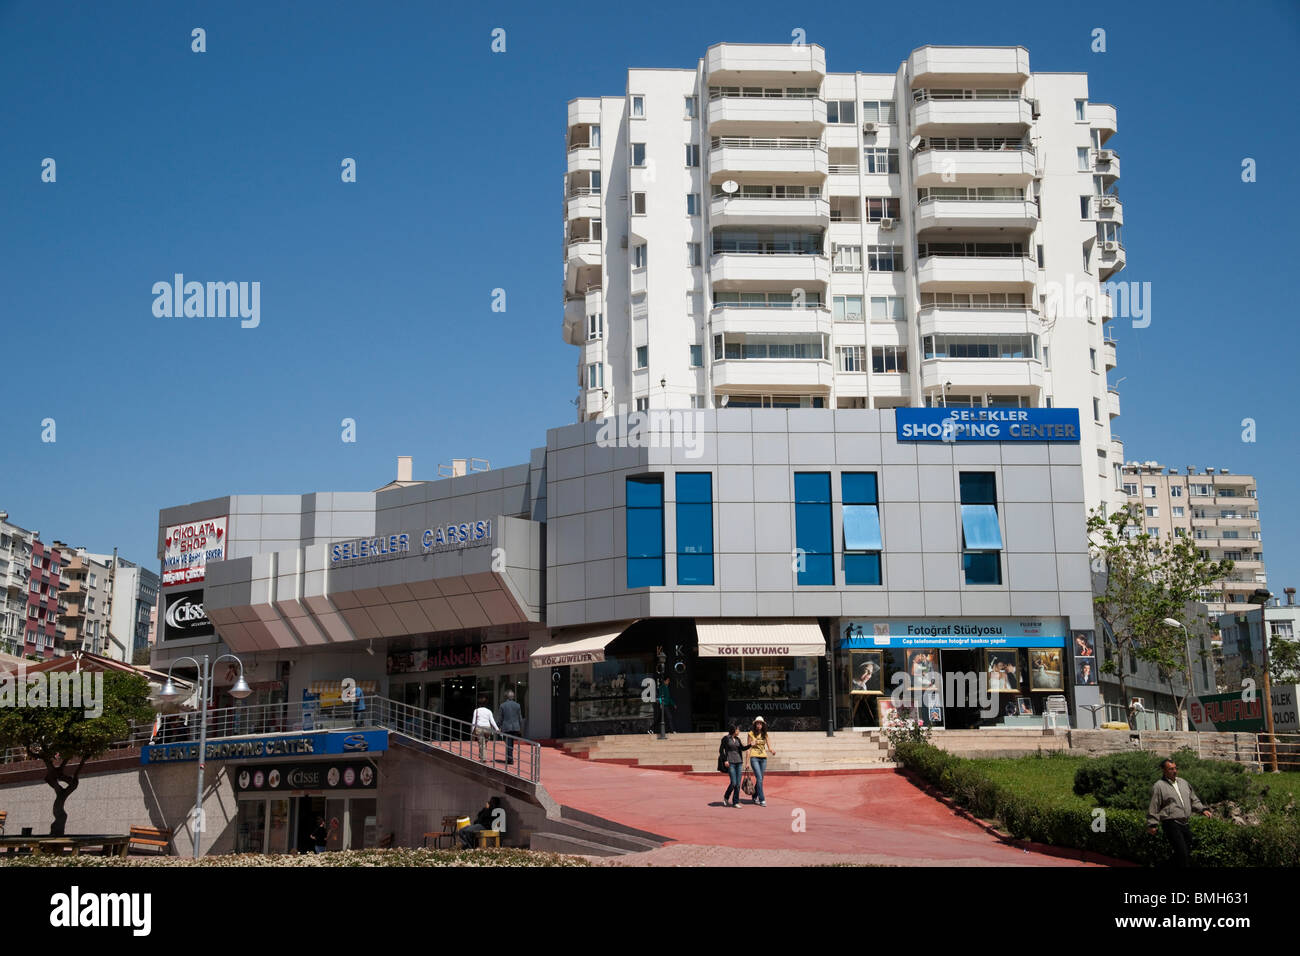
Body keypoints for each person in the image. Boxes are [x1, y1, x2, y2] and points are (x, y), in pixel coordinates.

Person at [1146, 758, 1212, 868]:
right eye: (1171, 769)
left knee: (1187, 849)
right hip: (1171, 823)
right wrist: (1152, 824)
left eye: (1175, 768)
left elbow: (1193, 799)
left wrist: (1202, 809)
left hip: (1184, 822)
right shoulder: (1159, 786)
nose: (1175, 771)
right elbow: (1154, 805)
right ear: (1164, 770)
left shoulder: (1183, 782)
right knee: (1183, 854)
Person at [718, 724, 751, 807]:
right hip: (730, 762)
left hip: (739, 762)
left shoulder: (737, 739)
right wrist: (725, 760)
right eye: (738, 730)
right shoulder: (726, 738)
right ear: (734, 730)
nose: (739, 731)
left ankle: (735, 802)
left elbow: (742, 748)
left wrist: (751, 745)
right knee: (733, 783)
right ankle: (726, 797)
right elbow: (721, 750)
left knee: (738, 784)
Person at [745, 716, 776, 807]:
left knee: (760, 779)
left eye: (760, 723)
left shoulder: (765, 734)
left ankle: (754, 796)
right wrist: (747, 762)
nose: (759, 725)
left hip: (763, 758)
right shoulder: (750, 734)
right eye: (757, 723)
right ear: (755, 724)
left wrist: (772, 751)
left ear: (763, 725)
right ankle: (762, 799)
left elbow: (769, 746)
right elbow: (748, 749)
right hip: (754, 757)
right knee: (759, 778)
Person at [470, 695, 500, 762]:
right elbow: (492, 721)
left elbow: (473, 721)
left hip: (479, 728)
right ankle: (481, 754)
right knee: (484, 743)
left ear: (479, 704)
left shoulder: (476, 710)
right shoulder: (489, 711)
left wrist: (472, 731)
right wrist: (497, 729)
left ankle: (483, 758)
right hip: (487, 728)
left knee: (481, 743)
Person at [498, 689, 523, 766]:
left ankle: (509, 759)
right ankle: (510, 758)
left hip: (506, 727)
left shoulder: (502, 705)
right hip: (515, 727)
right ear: (513, 697)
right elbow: (520, 718)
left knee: (508, 743)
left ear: (506, 697)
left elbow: (500, 718)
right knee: (511, 743)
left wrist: (498, 726)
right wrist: (520, 728)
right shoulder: (517, 705)